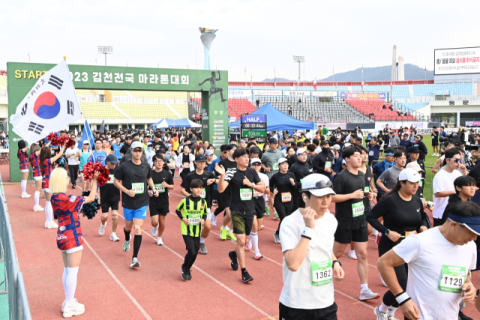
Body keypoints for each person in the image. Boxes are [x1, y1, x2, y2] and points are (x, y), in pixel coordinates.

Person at [377, 201, 479, 320]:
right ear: (454, 225)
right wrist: (402, 299)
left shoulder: (470, 245)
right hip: (420, 316)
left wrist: (469, 284)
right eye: (471, 232)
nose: (474, 238)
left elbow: (465, 271)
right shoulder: (420, 242)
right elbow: (383, 263)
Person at [279, 173, 345, 320]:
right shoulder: (290, 222)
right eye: (320, 196)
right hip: (297, 304)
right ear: (305, 197)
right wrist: (308, 229)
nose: (326, 202)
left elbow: (326, 248)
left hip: (325, 302)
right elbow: (293, 264)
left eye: (328, 196)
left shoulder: (331, 220)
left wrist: (335, 262)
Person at [366, 168, 429, 320]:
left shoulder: (416, 201)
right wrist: (386, 231)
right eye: (412, 183)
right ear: (402, 183)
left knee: (410, 285)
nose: (416, 187)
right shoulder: (390, 200)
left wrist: (423, 225)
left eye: (418, 183)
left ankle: (389, 311)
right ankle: (382, 311)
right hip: (392, 247)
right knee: (401, 282)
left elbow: (422, 217)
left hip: (412, 247)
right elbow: (371, 217)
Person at [50, 168, 100, 318]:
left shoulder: (54, 197)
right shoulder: (66, 199)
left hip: (62, 236)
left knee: (67, 270)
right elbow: (91, 197)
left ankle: (68, 300)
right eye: (66, 178)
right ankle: (70, 304)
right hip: (73, 236)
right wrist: (95, 180)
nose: (68, 180)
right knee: (72, 271)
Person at [331, 147, 379, 301]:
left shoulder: (362, 175)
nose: (360, 158)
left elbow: (362, 191)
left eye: (361, 156)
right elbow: (332, 198)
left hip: (360, 219)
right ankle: (321, 282)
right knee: (336, 255)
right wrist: (351, 195)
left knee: (363, 254)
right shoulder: (341, 177)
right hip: (345, 220)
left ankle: (364, 289)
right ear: (347, 159)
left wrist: (367, 194)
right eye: (356, 156)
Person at [216, 148, 265, 283]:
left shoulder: (252, 172)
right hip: (236, 210)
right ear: (236, 159)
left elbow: (262, 188)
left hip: (250, 209)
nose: (247, 159)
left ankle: (233, 254)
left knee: (244, 241)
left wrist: (251, 185)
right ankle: (244, 272)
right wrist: (221, 176)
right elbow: (221, 189)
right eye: (243, 157)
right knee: (241, 241)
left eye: (247, 157)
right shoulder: (231, 172)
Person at [114, 141, 158, 268]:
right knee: (128, 227)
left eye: (140, 150)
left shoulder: (146, 166)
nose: (138, 152)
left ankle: (134, 258)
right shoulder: (124, 166)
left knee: (137, 228)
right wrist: (127, 191)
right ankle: (127, 238)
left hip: (142, 201)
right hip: (128, 201)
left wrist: (153, 188)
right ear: (131, 151)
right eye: (136, 150)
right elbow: (116, 181)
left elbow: (149, 178)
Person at [181, 154, 217, 254]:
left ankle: (201, 242)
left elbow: (219, 181)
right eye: (200, 162)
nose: (202, 164)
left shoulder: (209, 174)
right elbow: (182, 190)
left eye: (204, 162)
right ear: (195, 162)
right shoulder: (190, 176)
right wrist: (191, 196)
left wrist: (214, 180)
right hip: (192, 207)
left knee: (208, 226)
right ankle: (192, 243)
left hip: (206, 205)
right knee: (193, 225)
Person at [176, 179, 208, 280]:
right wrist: (183, 218)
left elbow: (205, 213)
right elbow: (177, 210)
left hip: (197, 231)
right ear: (191, 189)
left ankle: (188, 268)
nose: (199, 190)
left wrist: (203, 219)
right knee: (192, 251)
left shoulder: (203, 202)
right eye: (197, 188)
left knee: (196, 251)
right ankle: (185, 267)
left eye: (201, 188)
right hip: (186, 230)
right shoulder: (185, 201)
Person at [432, 148, 467, 226]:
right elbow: (438, 193)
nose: (458, 163)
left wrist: (464, 173)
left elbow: (466, 186)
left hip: (455, 213)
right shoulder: (440, 175)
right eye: (456, 160)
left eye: (460, 160)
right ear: (447, 160)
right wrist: (455, 191)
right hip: (441, 214)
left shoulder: (457, 173)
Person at [270, 157, 297, 244]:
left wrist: (293, 184)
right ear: (279, 166)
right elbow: (270, 186)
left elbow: (295, 188)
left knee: (286, 219)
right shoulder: (275, 176)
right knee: (284, 218)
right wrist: (272, 190)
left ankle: (277, 233)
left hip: (289, 200)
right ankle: (284, 236)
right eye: (283, 164)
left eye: (286, 164)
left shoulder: (291, 175)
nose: (285, 166)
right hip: (279, 200)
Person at [149, 155, 174, 246]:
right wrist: (150, 192)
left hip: (164, 200)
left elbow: (172, 186)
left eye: (161, 161)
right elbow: (147, 188)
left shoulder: (167, 174)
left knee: (162, 221)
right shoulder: (150, 174)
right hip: (153, 201)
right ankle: (155, 227)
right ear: (154, 163)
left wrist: (167, 185)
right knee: (155, 222)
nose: (159, 163)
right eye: (157, 161)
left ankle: (159, 237)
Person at [41, 143, 66, 229]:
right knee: (49, 203)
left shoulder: (42, 160)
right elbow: (59, 155)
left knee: (48, 202)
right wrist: (63, 146)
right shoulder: (48, 161)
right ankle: (50, 222)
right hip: (48, 183)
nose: (51, 151)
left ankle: (48, 221)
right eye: (49, 150)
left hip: (45, 182)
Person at [248, 158, 268, 259]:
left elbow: (266, 189)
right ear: (250, 165)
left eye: (258, 165)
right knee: (254, 226)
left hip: (260, 201)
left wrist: (268, 191)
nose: (256, 167)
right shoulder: (247, 176)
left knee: (258, 227)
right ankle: (257, 252)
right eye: (254, 165)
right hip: (250, 201)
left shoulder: (264, 176)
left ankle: (250, 239)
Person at [98, 154, 121, 242]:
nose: (114, 166)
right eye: (112, 164)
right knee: (104, 216)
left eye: (115, 164)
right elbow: (95, 180)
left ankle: (113, 234)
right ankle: (103, 224)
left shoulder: (118, 170)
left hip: (115, 196)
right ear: (107, 162)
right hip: (105, 196)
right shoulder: (101, 170)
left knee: (115, 215)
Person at [29, 143, 44, 211]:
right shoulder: (34, 155)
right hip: (38, 174)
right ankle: (36, 205)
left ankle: (37, 205)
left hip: (37, 173)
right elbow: (42, 150)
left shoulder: (33, 155)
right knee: (38, 190)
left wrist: (49, 143)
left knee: (37, 190)